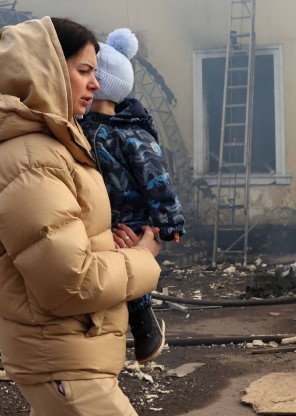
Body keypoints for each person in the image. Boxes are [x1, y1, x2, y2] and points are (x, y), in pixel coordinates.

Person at [0, 17, 161, 416]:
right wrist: (143, 256)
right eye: (84, 70)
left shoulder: (49, 147)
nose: (96, 83)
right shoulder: (29, 158)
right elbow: (70, 282)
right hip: (67, 364)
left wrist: (110, 246)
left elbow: (69, 248)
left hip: (72, 358)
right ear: (46, 70)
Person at [79, 27, 185, 365]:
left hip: (126, 217)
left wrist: (168, 221)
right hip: (99, 218)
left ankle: (143, 326)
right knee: (112, 278)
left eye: (91, 74)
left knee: (131, 276)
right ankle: (127, 333)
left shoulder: (128, 133)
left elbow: (156, 178)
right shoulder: (83, 128)